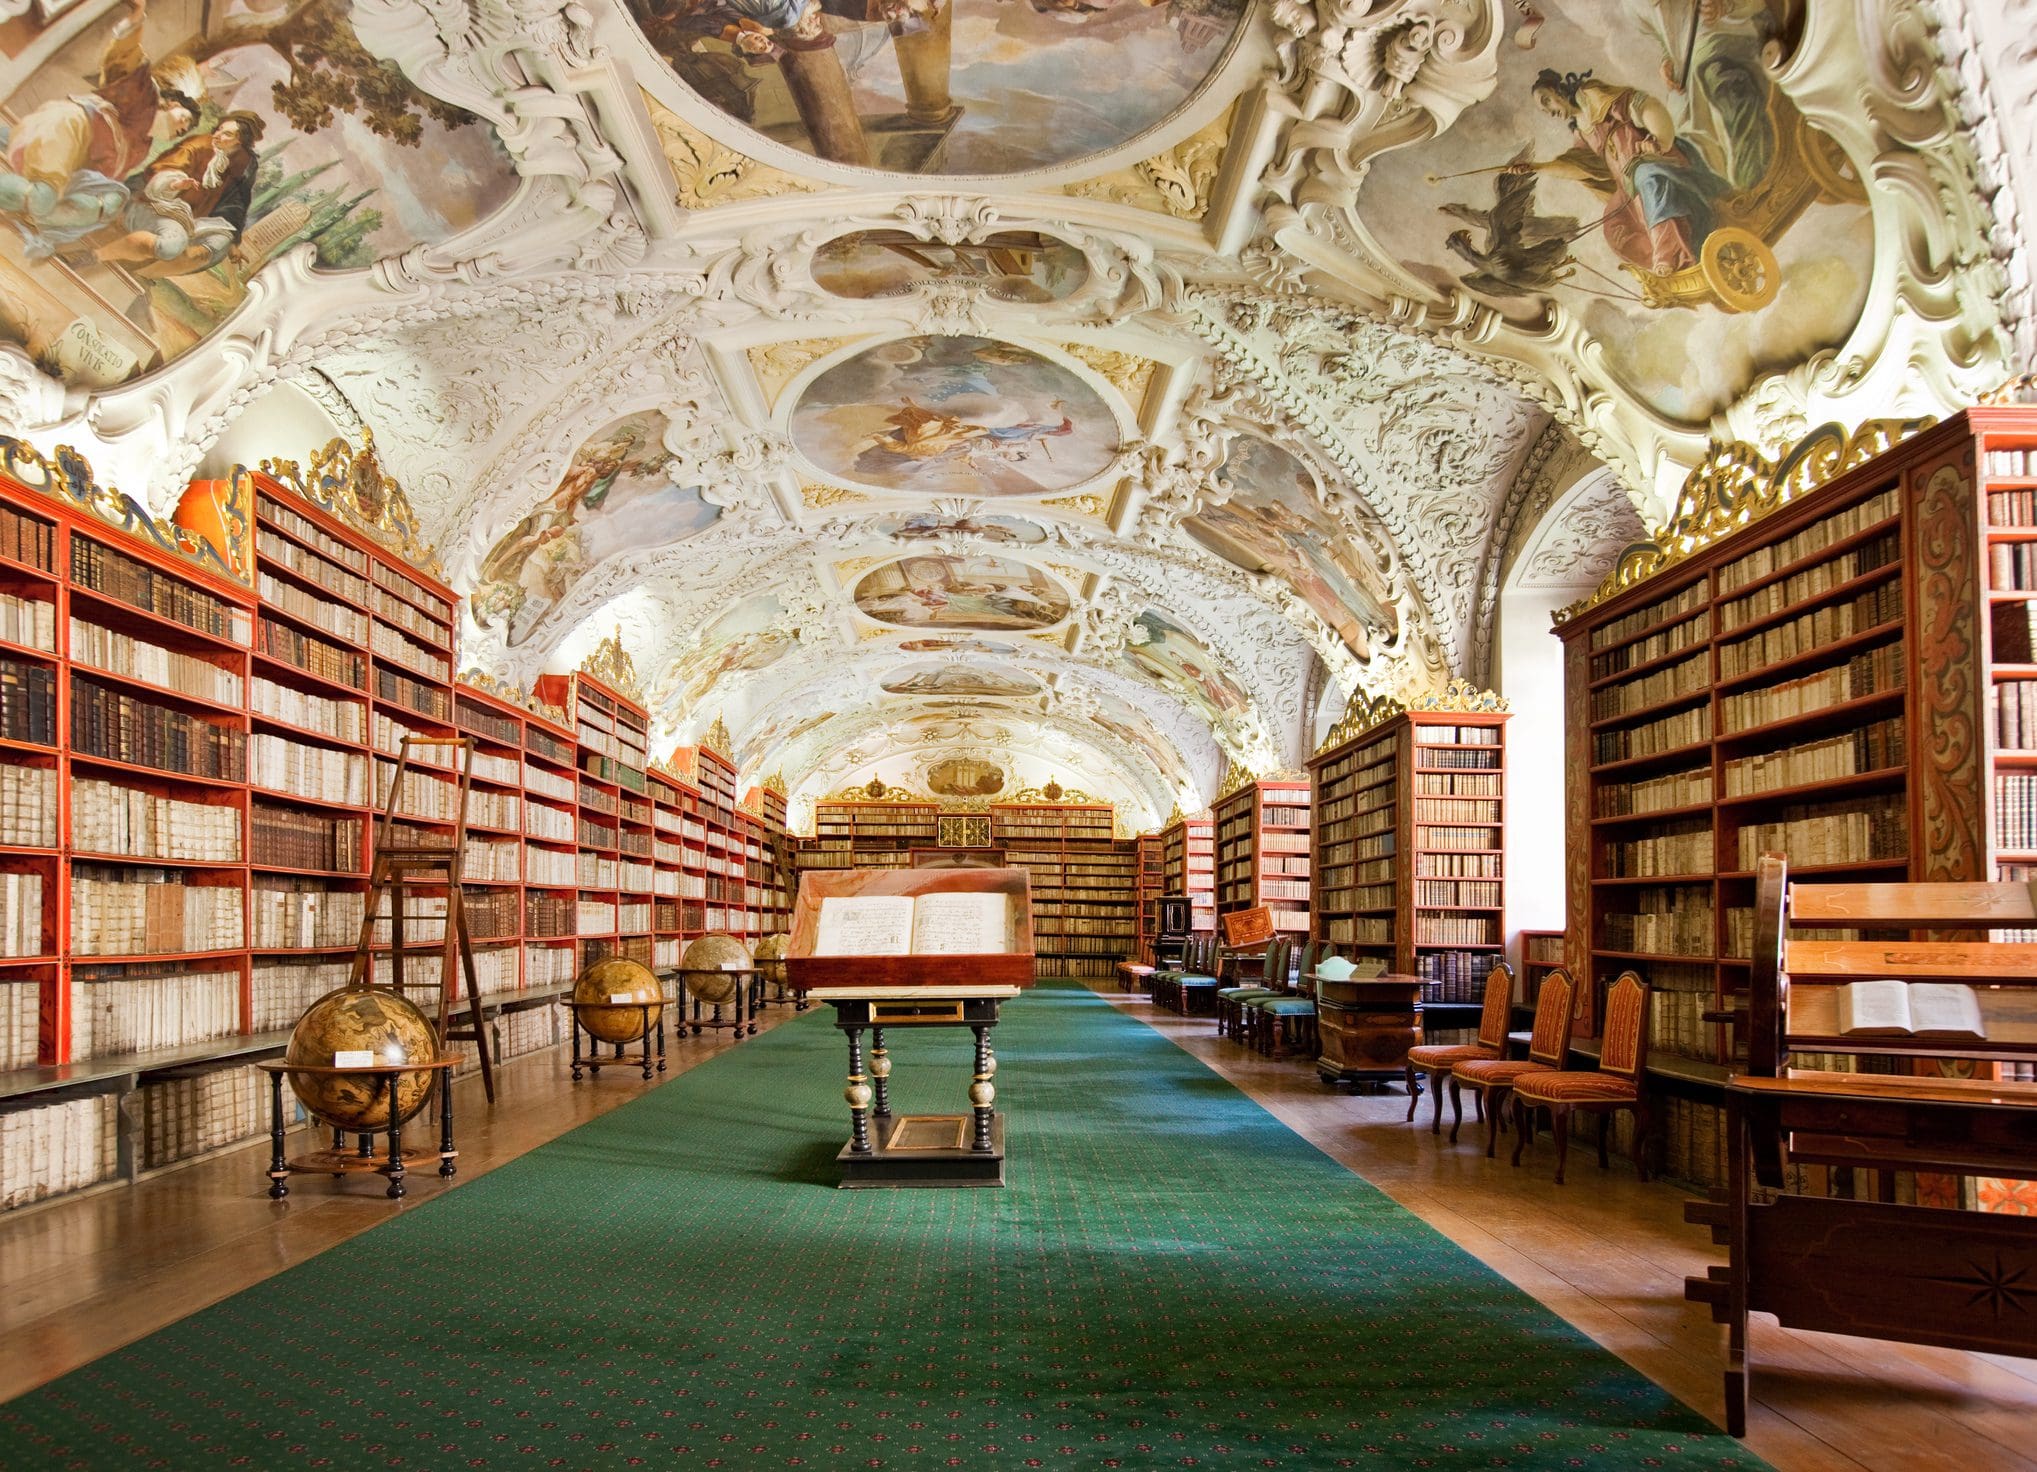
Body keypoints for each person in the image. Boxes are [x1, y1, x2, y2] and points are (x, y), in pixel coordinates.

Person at [0, 0, 200, 258]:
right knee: (43, 195)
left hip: (74, 166)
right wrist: (136, 19)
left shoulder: (142, 146)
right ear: (171, 103)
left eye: (185, 130)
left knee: (112, 199)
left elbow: (106, 176)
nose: (181, 129)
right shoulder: (145, 96)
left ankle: (38, 212)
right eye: (184, 118)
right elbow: (126, 60)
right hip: (70, 128)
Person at [1508, 67, 1728, 277]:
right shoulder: (1581, 131)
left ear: (1558, 89)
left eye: (1546, 100)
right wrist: (1535, 167)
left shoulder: (1592, 96)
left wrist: (1659, 141)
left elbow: (1644, 105)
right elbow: (1578, 167)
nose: (1549, 111)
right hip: (1629, 184)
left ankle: (1670, 255)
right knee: (1614, 224)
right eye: (1543, 109)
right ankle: (1664, 261)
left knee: (1647, 178)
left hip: (1656, 163)